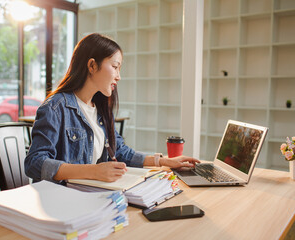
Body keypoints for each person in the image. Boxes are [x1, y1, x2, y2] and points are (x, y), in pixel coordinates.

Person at [24, 33, 199, 183]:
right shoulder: (55, 107)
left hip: (91, 195)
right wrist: (94, 171)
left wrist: (164, 161)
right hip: (62, 200)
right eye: (115, 67)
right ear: (92, 65)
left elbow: (120, 152)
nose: (119, 76)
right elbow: (34, 163)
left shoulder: (100, 109)